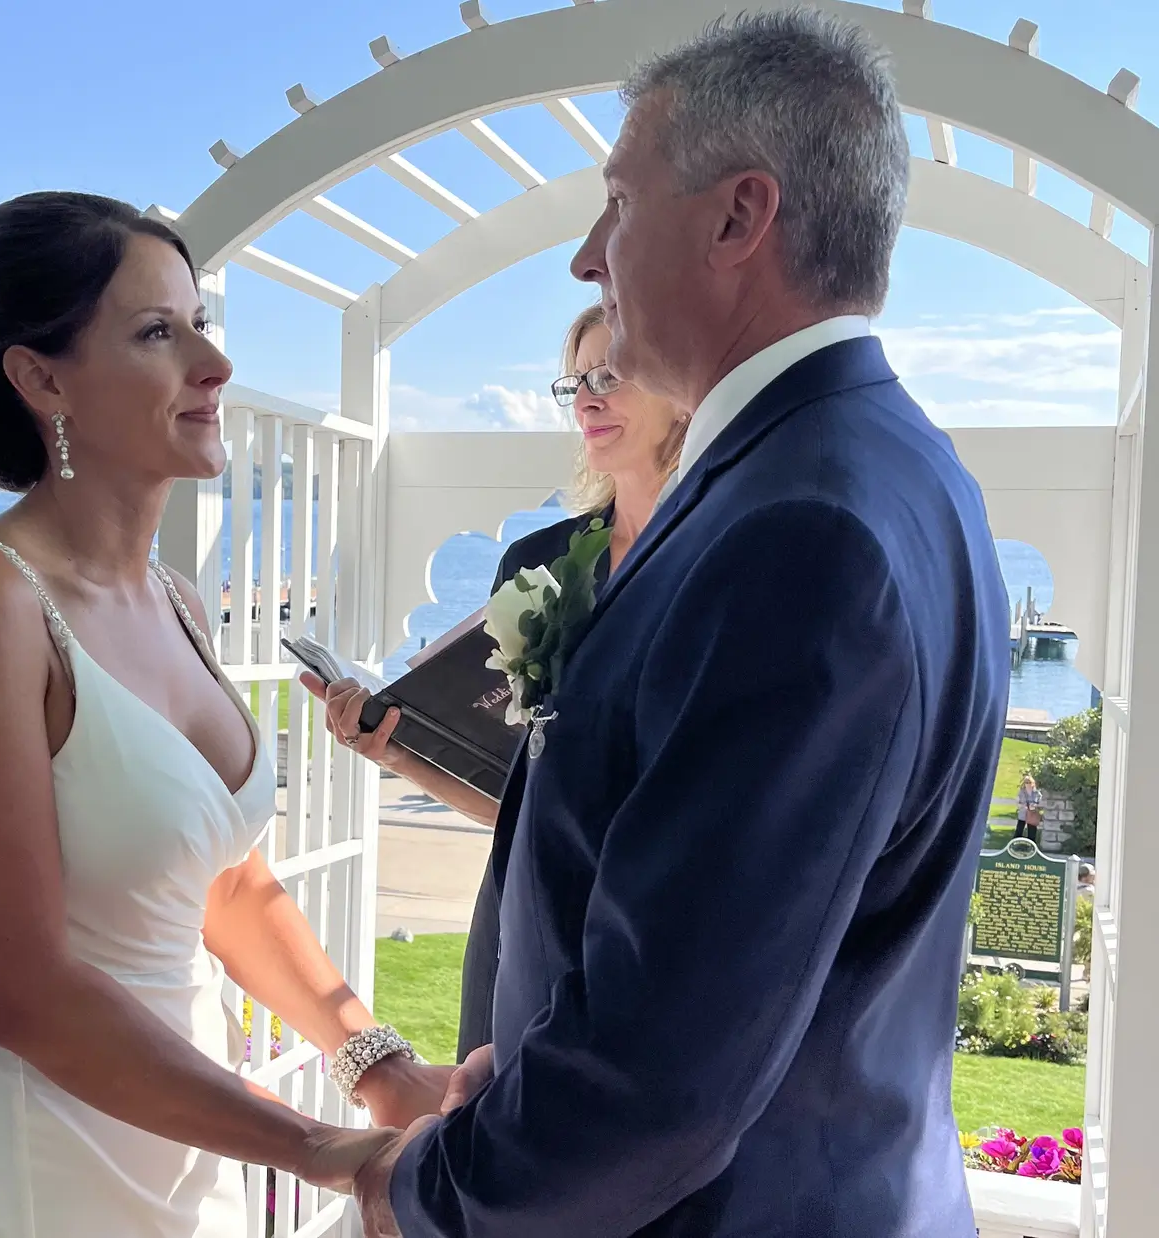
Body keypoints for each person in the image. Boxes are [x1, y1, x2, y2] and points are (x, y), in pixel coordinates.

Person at [359, 12, 1011, 1238]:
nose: (586, 258)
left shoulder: (799, 528)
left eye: (616, 201)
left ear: (736, 218)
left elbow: (667, 1068)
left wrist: (418, 1190)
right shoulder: (887, 467)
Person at [0, 191, 448, 1238]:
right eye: (154, 332)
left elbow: (222, 877)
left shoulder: (176, 598)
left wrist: (380, 1066)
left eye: (199, 323)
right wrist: (314, 1147)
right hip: (21, 1170)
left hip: (179, 1143)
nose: (213, 364)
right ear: (42, 378)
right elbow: (19, 988)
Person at [306, 301, 686, 1061]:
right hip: (524, 921)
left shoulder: (722, 554)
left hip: (664, 930)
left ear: (682, 385)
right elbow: (519, 805)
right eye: (574, 381)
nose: (587, 397)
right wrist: (399, 753)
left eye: (611, 373)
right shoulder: (537, 566)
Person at [1016, 774, 1044, 842]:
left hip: (1032, 815)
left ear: (1033, 783)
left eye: (1029, 782)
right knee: (1019, 831)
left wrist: (1035, 806)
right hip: (1023, 814)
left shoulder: (1037, 793)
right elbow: (1018, 802)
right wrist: (1023, 805)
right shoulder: (1021, 792)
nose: (1028, 784)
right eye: (1026, 782)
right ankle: (1016, 845)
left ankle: (1030, 847)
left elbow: (1040, 803)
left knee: (1032, 833)